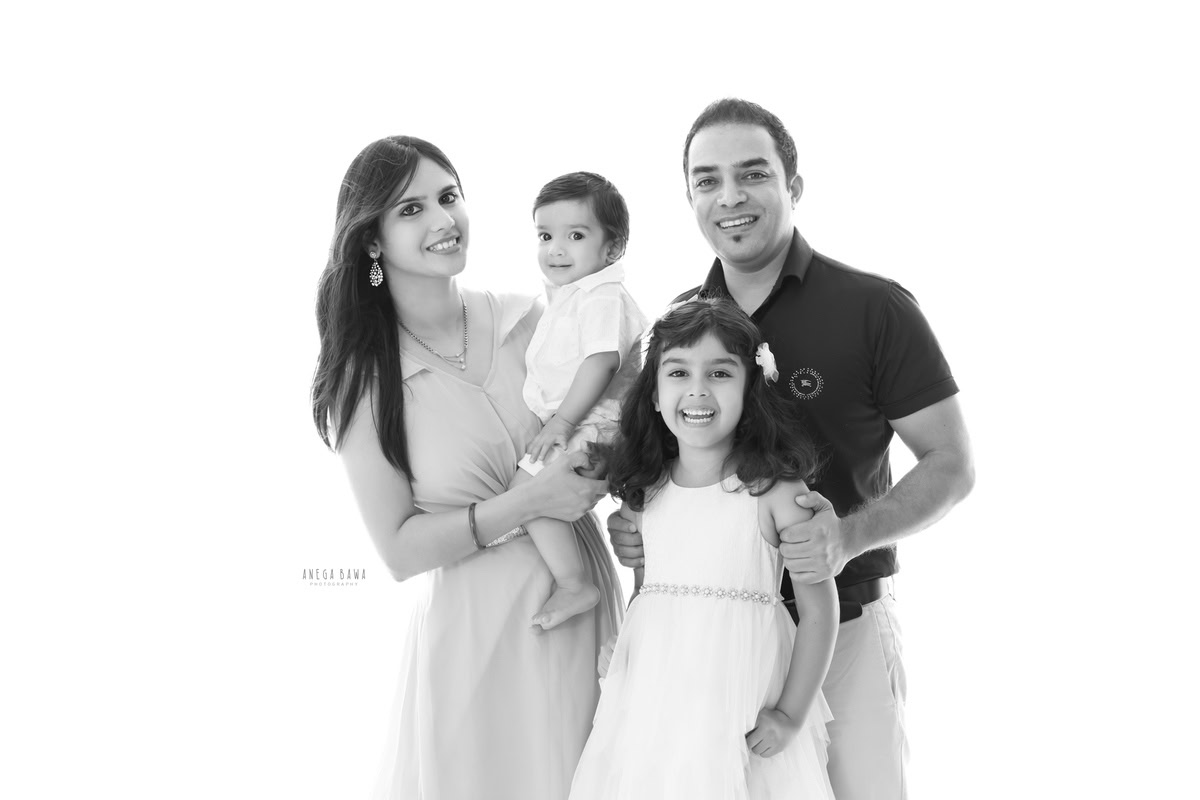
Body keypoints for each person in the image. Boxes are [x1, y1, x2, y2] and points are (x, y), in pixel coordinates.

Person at [607, 98, 976, 800]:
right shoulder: (677, 328)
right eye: (707, 180)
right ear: (689, 197)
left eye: (752, 174)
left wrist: (848, 535)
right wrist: (638, 519)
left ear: (793, 187)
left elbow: (953, 463)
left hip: (846, 625)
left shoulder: (874, 308)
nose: (730, 196)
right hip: (708, 652)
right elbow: (657, 462)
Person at [311, 135, 623, 800]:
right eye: (411, 210)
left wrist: (602, 469)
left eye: (449, 197)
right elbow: (398, 550)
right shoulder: (365, 383)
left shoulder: (529, 319)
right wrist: (528, 503)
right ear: (371, 243)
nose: (442, 220)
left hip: (585, 612)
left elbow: (616, 414)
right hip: (480, 636)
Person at [570, 298, 837, 800]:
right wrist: (625, 644)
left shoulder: (775, 491)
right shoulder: (645, 491)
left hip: (740, 691)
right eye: (678, 372)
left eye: (719, 373)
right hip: (657, 695)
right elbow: (649, 594)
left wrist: (790, 714)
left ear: (749, 389)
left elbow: (821, 612)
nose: (697, 389)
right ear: (653, 394)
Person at [515, 171, 649, 630]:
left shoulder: (600, 295)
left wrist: (563, 422)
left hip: (595, 422)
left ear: (611, 249)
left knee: (526, 491)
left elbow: (601, 363)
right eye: (545, 235)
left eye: (575, 235)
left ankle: (574, 582)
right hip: (588, 420)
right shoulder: (572, 297)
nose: (556, 248)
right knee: (533, 493)